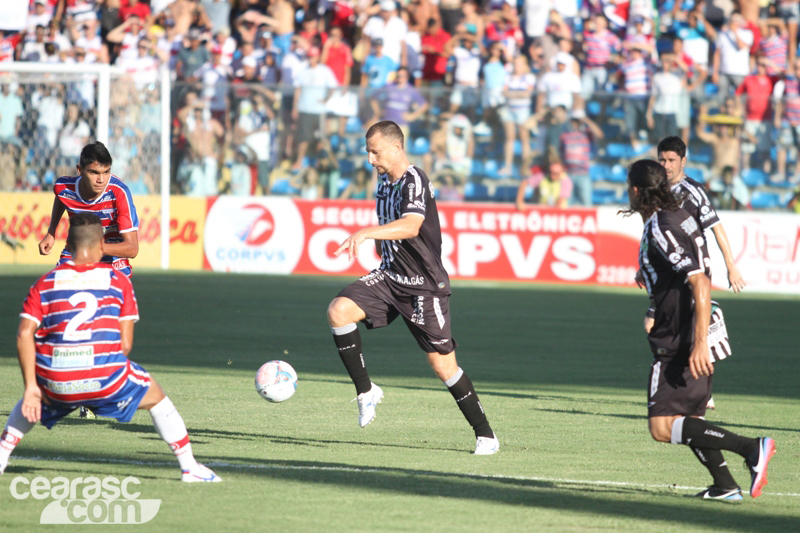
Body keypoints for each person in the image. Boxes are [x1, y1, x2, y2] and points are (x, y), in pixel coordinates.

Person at [0, 213, 221, 482]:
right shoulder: (118, 280)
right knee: (157, 398)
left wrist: (33, 386)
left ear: (67, 245)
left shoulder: (45, 283)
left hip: (56, 380)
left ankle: (2, 457)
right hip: (106, 378)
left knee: (30, 400)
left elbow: (24, 334)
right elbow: (125, 345)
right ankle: (190, 468)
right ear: (101, 246)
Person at [326, 121, 498, 455]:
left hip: (424, 287)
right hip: (390, 277)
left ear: (396, 147)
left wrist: (365, 233)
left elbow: (411, 225)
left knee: (443, 366)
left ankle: (486, 434)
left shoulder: (415, 179)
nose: (370, 158)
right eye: (368, 151)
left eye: (374, 151)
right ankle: (366, 392)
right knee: (338, 311)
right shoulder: (382, 180)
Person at [623, 159, 774, 501]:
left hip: (681, 335)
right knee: (688, 418)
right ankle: (725, 486)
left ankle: (753, 448)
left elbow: (700, 282)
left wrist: (699, 344)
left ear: (636, 190)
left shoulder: (663, 224)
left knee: (662, 428)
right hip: (686, 328)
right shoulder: (673, 215)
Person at [39, 142, 139, 278]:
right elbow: (61, 197)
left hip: (112, 255)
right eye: (94, 172)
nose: (101, 180)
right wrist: (51, 232)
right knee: (59, 286)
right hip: (77, 252)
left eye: (106, 172)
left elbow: (132, 248)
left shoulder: (119, 193)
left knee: (111, 295)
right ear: (79, 170)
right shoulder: (64, 187)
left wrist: (94, 248)